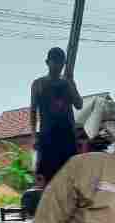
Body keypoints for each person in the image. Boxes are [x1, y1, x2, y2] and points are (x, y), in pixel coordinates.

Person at [30, 47, 84, 186]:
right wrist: (34, 136)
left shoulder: (67, 83)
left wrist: (71, 83)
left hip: (67, 137)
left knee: (70, 176)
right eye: (55, 62)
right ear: (47, 62)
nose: (58, 65)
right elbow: (33, 112)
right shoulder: (38, 84)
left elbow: (79, 104)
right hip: (47, 137)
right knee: (46, 177)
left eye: (61, 62)